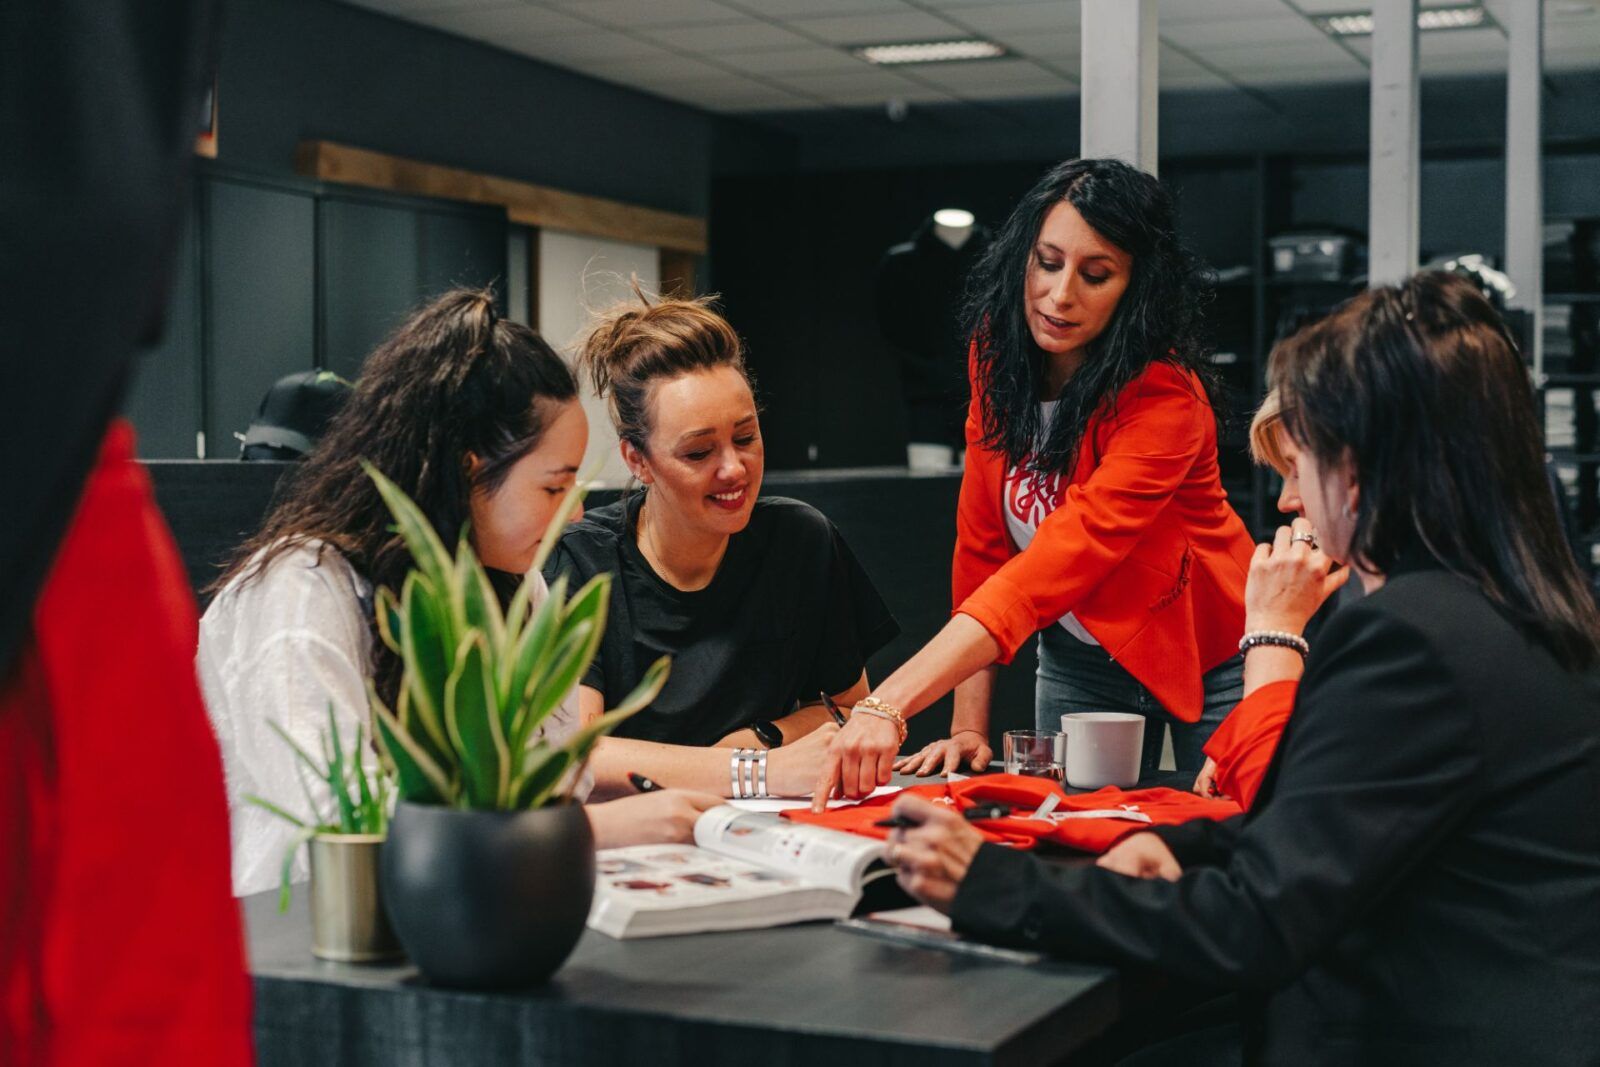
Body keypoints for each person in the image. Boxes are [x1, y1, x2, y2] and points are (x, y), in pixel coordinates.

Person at [882, 272, 1600, 1063]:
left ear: (1360, 468)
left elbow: (1260, 920)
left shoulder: (1413, 639)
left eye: (1302, 467)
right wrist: (1186, 851)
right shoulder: (1535, 612)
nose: (1291, 502)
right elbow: (1325, 836)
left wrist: (988, 882)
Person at [200, 290, 827, 898]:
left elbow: (551, 770)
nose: (575, 515)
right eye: (554, 489)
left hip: (463, 911)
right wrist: (591, 832)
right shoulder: (302, 594)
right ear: (469, 472)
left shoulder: (507, 589)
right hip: (296, 938)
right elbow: (336, 825)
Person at [827, 157, 1255, 805]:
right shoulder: (997, 358)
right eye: (1047, 262)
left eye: (1096, 274)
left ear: (1136, 287)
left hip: (1211, 654)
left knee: (1226, 835)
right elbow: (984, 546)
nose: (1059, 295)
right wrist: (969, 725)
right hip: (1080, 661)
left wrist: (886, 704)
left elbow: (1062, 558)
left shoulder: (1165, 398)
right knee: (1071, 834)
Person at [545, 291, 899, 788]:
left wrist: (762, 737)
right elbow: (575, 753)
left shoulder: (801, 540)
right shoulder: (581, 562)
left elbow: (845, 709)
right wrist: (754, 771)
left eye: (747, 438)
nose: (734, 469)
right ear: (637, 460)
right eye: (698, 452)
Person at [1189, 390, 1358, 807]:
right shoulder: (1366, 590)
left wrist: (1273, 631)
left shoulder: (1415, 617)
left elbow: (1285, 807)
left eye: (1297, 472)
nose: (1286, 501)